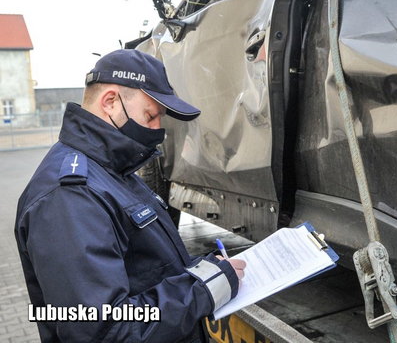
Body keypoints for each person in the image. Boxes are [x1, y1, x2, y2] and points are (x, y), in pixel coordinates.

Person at [14, 49, 246, 342]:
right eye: (150, 116)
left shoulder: (112, 172)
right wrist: (202, 290)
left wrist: (201, 270)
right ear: (110, 102)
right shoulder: (69, 197)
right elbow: (103, 330)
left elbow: (142, 267)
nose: (157, 129)